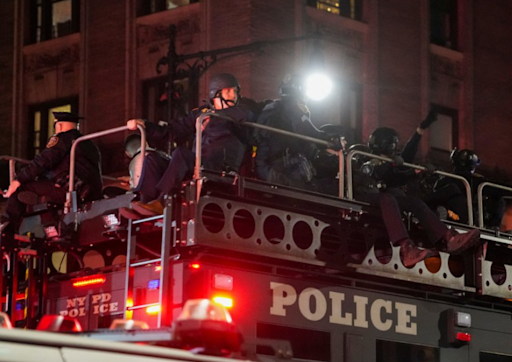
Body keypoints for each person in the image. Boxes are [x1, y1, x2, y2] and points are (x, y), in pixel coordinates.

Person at [127, 73, 263, 216]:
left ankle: (161, 202)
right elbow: (173, 130)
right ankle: (144, 204)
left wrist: (215, 118)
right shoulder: (201, 112)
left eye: (235, 91)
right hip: (196, 163)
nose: (233, 95)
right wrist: (145, 125)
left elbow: (247, 114)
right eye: (228, 91)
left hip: (220, 167)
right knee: (151, 159)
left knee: (181, 154)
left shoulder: (244, 108)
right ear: (216, 93)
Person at [354, 114, 480, 267]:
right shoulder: (365, 159)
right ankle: (406, 248)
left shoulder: (393, 162)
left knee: (415, 202)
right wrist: (393, 166)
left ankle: (448, 238)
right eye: (393, 144)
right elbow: (378, 175)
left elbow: (398, 172)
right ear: (386, 144)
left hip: (388, 199)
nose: (396, 147)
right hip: (369, 196)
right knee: (389, 198)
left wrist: (419, 170)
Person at [0, 112, 102, 233]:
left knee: (21, 189)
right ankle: (41, 205)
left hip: (70, 190)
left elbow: (44, 160)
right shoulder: (89, 144)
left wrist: (18, 180)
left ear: (59, 126)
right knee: (42, 189)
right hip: (90, 193)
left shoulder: (62, 138)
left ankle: (5, 228)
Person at [254, 74, 343, 193]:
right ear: (301, 90)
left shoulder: (272, 107)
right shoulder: (293, 106)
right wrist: (330, 141)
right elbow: (307, 131)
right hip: (283, 170)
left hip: (266, 167)